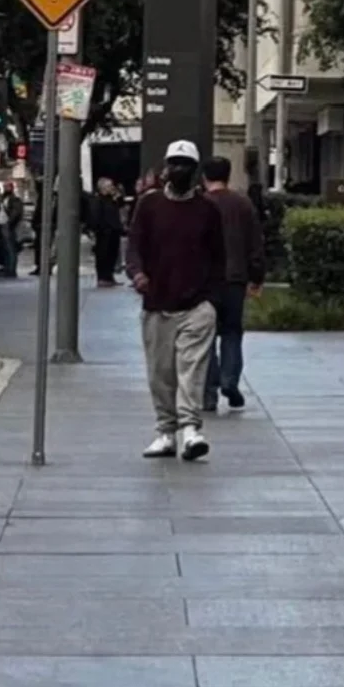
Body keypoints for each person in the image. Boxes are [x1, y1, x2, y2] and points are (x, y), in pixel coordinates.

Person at [124, 140, 226, 463]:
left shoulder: (207, 210)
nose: (178, 169)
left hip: (197, 306)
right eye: (173, 163)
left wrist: (211, 301)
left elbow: (218, 256)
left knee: (191, 370)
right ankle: (166, 432)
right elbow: (134, 246)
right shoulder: (149, 205)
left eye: (185, 164)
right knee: (161, 373)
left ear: (195, 171)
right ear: (165, 166)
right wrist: (137, 273)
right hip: (157, 304)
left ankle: (191, 429)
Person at [200, 156, 265, 412]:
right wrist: (256, 277)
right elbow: (255, 243)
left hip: (205, 282)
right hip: (235, 280)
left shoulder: (200, 204)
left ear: (204, 177)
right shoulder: (243, 204)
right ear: (228, 176)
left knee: (205, 336)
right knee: (232, 332)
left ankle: (209, 391)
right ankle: (230, 380)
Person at [90, 177, 125, 287]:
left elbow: (121, 205)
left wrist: (118, 197)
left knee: (112, 254)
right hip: (104, 232)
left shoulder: (112, 199)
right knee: (103, 254)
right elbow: (95, 216)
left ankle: (109, 276)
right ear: (103, 188)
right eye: (109, 186)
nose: (112, 188)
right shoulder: (98, 200)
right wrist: (97, 229)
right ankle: (102, 277)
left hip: (114, 230)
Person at [0, 181, 24, 279]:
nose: (5, 189)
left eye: (7, 187)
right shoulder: (4, 198)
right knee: (6, 248)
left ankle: (11, 269)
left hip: (9, 226)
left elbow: (16, 213)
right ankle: (8, 268)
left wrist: (9, 223)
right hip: (4, 225)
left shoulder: (14, 200)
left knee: (10, 248)